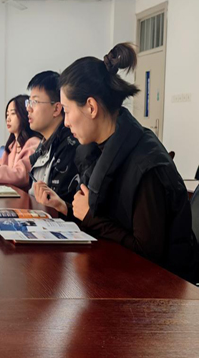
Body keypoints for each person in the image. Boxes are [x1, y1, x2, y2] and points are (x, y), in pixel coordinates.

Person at [34, 43, 199, 282]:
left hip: (161, 289)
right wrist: (66, 208)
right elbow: (108, 219)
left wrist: (90, 218)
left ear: (91, 107)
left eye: (67, 111)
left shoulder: (146, 164)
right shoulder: (100, 150)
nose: (66, 122)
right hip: (116, 277)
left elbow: (148, 253)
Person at [26, 71, 79, 203]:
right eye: (29, 102)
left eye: (35, 102)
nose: (28, 108)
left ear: (56, 109)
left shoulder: (69, 146)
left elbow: (58, 206)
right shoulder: (45, 144)